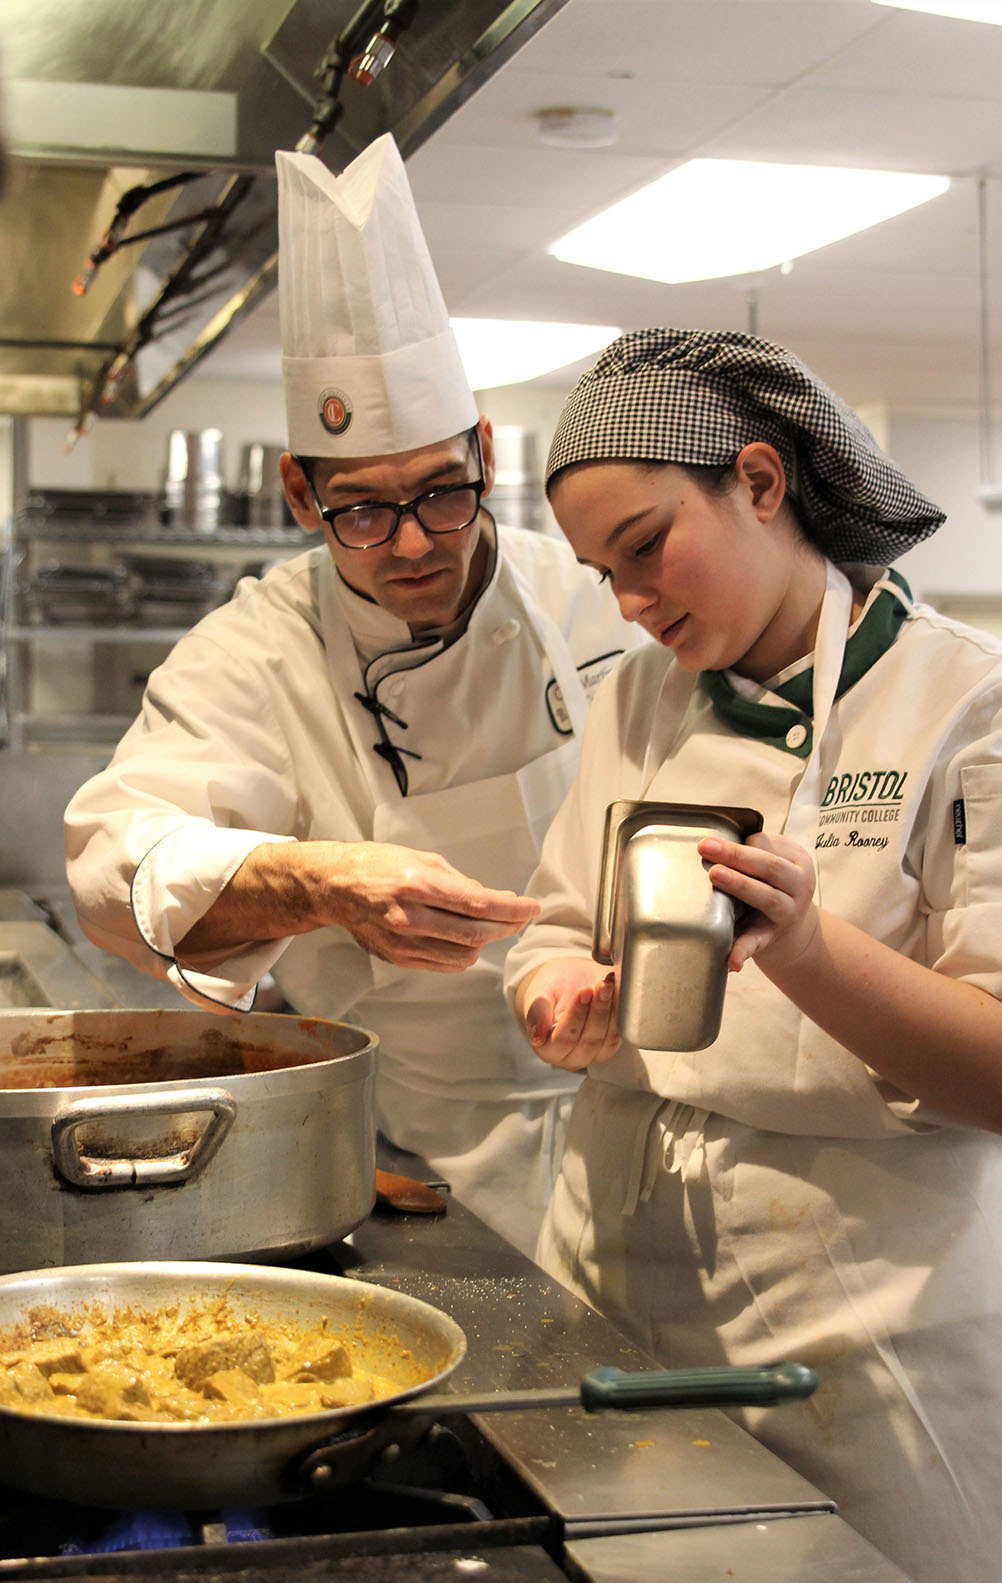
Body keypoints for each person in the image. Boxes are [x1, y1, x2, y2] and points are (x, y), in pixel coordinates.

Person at [504, 327, 1002, 1583]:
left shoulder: (980, 710)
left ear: (759, 480)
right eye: (603, 572)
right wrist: (553, 992)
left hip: (877, 1327)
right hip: (616, 1276)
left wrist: (807, 945)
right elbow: (554, 920)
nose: (632, 601)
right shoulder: (638, 699)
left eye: (646, 547)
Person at [63, 134, 639, 1260]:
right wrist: (317, 881)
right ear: (297, 492)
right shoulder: (258, 650)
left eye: (441, 491)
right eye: (364, 510)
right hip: (418, 1160)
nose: (415, 540)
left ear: (483, 448)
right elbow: (110, 865)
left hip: (641, 1106)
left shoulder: (599, 597)